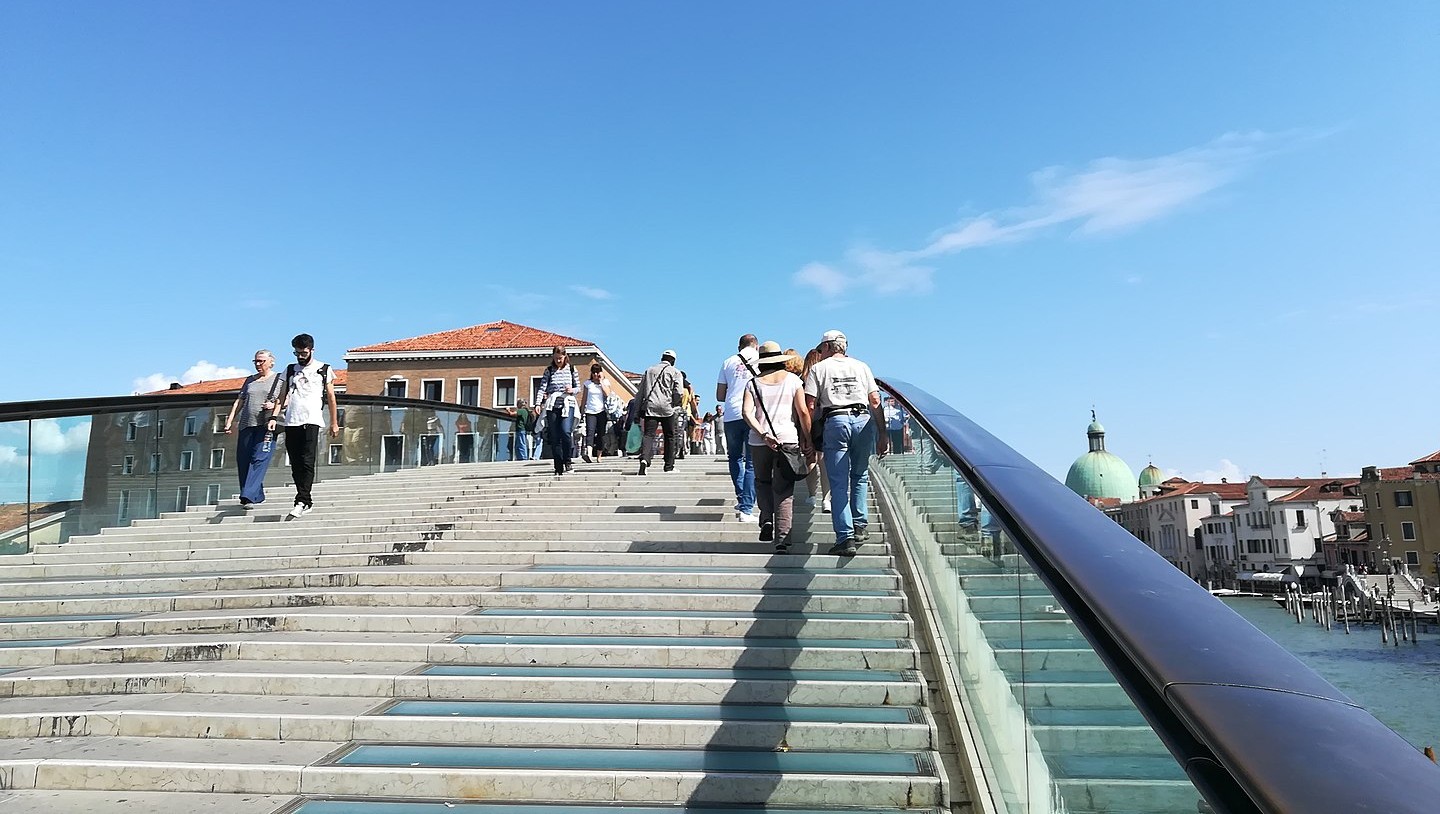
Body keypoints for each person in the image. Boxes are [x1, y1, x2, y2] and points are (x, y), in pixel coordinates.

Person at [804, 329, 887, 556]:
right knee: (859, 475)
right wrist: (883, 434)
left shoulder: (818, 369)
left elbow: (810, 405)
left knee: (838, 482)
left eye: (821, 349)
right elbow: (875, 400)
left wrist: (808, 437)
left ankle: (845, 537)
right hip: (863, 419)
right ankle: (860, 524)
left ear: (828, 347)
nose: (820, 353)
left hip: (836, 420)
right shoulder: (862, 366)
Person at [742, 342, 812, 552]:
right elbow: (802, 412)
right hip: (787, 439)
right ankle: (782, 538)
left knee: (762, 481)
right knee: (784, 489)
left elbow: (747, 413)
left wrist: (763, 434)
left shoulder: (752, 383)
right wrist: (807, 439)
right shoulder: (793, 381)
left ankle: (766, 519)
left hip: (759, 440)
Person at [275, 333, 339, 519]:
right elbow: (281, 396)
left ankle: (301, 500)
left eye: (303, 353)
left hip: (311, 419)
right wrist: (274, 416)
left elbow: (331, 397)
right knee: (295, 463)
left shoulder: (324, 369)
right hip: (291, 420)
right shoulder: (289, 370)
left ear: (311, 350)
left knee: (307, 460)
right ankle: (306, 500)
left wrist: (335, 422)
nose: (300, 357)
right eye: (297, 353)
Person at [222, 349, 281, 508]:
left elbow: (285, 399)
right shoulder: (249, 380)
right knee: (244, 461)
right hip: (247, 424)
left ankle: (247, 495)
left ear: (271, 362)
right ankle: (256, 494)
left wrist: (273, 405)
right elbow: (239, 401)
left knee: (259, 458)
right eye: (256, 361)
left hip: (266, 425)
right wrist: (230, 420)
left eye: (261, 361)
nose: (258, 364)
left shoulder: (279, 379)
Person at [716, 334, 759, 523]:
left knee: (734, 457)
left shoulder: (728, 362)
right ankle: (747, 507)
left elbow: (719, 395)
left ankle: (742, 498)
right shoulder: (762, 360)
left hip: (731, 414)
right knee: (752, 461)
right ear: (756, 346)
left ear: (738, 346)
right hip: (753, 413)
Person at [635, 349, 683, 475]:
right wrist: (674, 403)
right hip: (667, 407)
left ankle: (645, 459)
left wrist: (636, 411)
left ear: (662, 357)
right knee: (670, 436)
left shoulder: (649, 370)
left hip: (651, 406)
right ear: (673, 360)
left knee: (649, 434)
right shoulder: (675, 372)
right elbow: (679, 392)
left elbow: (640, 392)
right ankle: (669, 466)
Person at [537, 346, 580, 475]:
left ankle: (567, 461)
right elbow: (542, 387)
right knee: (555, 436)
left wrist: (572, 390)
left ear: (565, 357)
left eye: (560, 358)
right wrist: (538, 403)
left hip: (568, 404)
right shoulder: (549, 370)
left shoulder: (572, 369)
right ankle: (558, 466)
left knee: (566, 432)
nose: (558, 361)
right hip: (553, 406)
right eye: (556, 358)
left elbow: (578, 387)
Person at [801, 345, 830, 513]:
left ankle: (812, 495)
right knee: (824, 461)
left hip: (807, 422)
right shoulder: (824, 376)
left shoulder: (801, 380)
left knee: (810, 459)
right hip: (824, 421)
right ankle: (826, 499)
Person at [579, 363, 614, 463]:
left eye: (597, 372)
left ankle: (599, 455)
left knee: (601, 434)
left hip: (601, 411)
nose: (595, 374)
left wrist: (601, 381)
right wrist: (582, 411)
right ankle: (589, 453)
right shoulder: (587, 383)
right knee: (590, 432)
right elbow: (584, 398)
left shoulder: (605, 382)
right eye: (593, 372)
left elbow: (607, 393)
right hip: (590, 411)